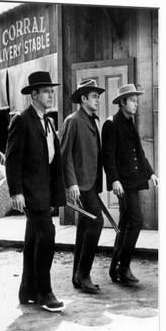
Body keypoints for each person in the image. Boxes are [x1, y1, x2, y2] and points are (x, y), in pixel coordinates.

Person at [5, 71, 66, 312]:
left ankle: (27, 290)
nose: (51, 95)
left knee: (33, 241)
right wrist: (16, 192)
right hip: (31, 193)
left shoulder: (48, 122)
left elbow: (51, 160)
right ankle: (44, 292)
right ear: (34, 94)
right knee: (47, 236)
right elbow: (12, 159)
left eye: (52, 91)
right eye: (47, 91)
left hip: (45, 192)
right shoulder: (22, 120)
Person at [102, 83, 159, 284]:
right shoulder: (111, 124)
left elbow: (139, 152)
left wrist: (150, 173)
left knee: (126, 223)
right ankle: (123, 266)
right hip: (123, 183)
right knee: (135, 220)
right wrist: (114, 180)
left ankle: (115, 268)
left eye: (137, 101)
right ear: (123, 102)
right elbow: (108, 157)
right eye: (132, 101)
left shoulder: (129, 123)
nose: (136, 104)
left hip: (134, 181)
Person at [60, 79, 106, 294]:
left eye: (98, 96)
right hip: (81, 185)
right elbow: (65, 153)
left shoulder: (92, 120)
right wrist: (71, 183)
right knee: (96, 222)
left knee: (85, 227)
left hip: (92, 183)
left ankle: (77, 276)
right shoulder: (73, 120)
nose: (97, 100)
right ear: (83, 98)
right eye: (94, 96)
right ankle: (84, 274)